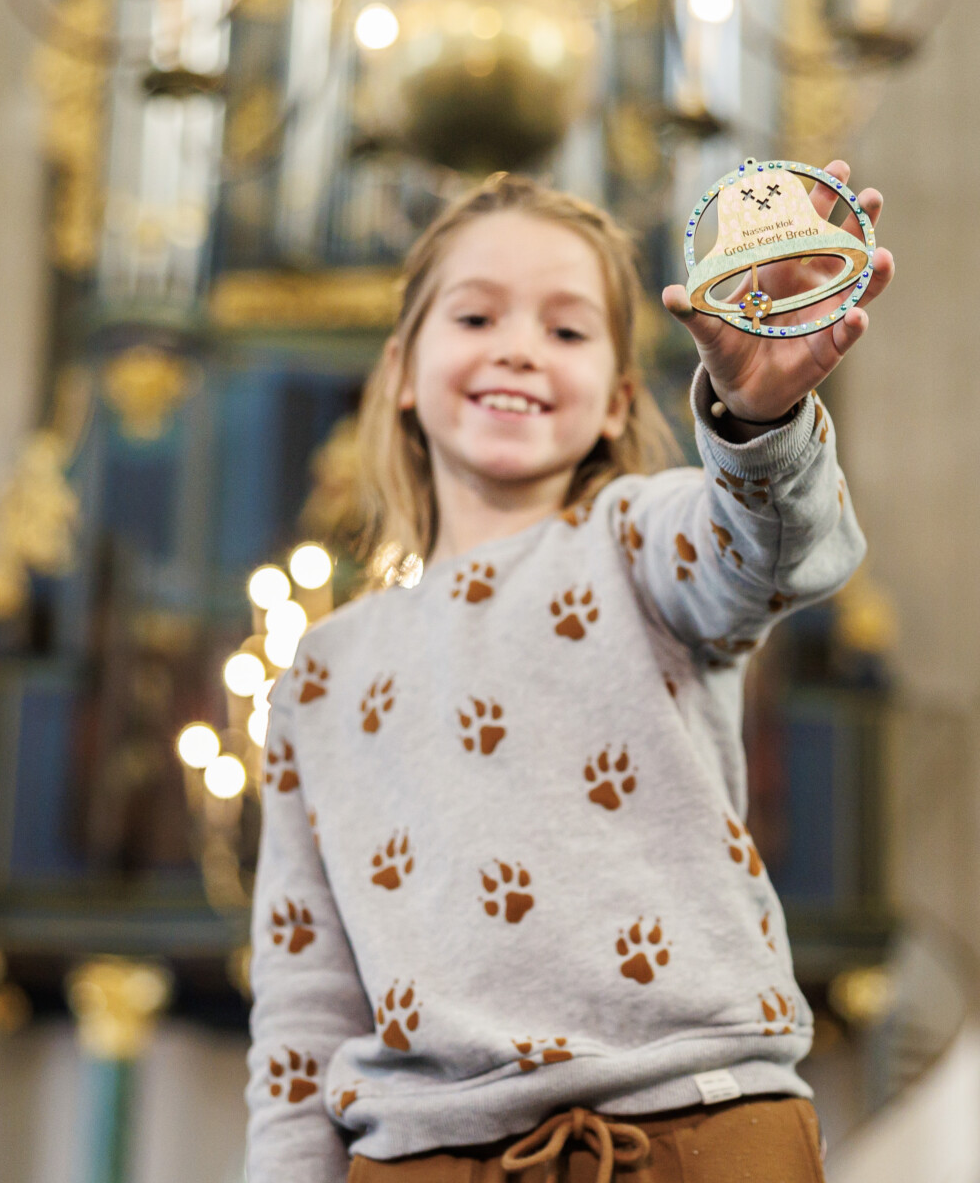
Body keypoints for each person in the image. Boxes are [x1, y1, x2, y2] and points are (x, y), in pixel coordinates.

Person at [245, 165, 895, 1182]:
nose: (517, 349)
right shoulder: (321, 673)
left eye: (566, 329)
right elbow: (303, 995)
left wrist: (758, 427)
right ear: (403, 371)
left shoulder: (640, 538)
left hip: (698, 1127)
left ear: (616, 400)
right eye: (474, 317)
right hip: (425, 1150)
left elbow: (772, 552)